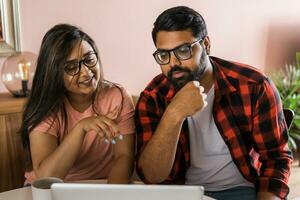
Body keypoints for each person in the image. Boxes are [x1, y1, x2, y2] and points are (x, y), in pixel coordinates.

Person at [135, 6, 292, 200]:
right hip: (179, 194)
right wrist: (174, 113)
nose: (173, 63)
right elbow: (152, 176)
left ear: (206, 44)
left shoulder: (253, 85)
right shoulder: (153, 97)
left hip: (239, 191)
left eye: (184, 50)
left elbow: (276, 159)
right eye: (164, 55)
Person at [20, 24, 135, 184]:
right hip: (51, 188)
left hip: (102, 185)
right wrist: (81, 128)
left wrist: (111, 195)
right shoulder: (45, 106)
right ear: (55, 73)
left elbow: (124, 157)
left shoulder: (118, 96)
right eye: (72, 67)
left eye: (89, 59)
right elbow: (46, 178)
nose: (86, 71)